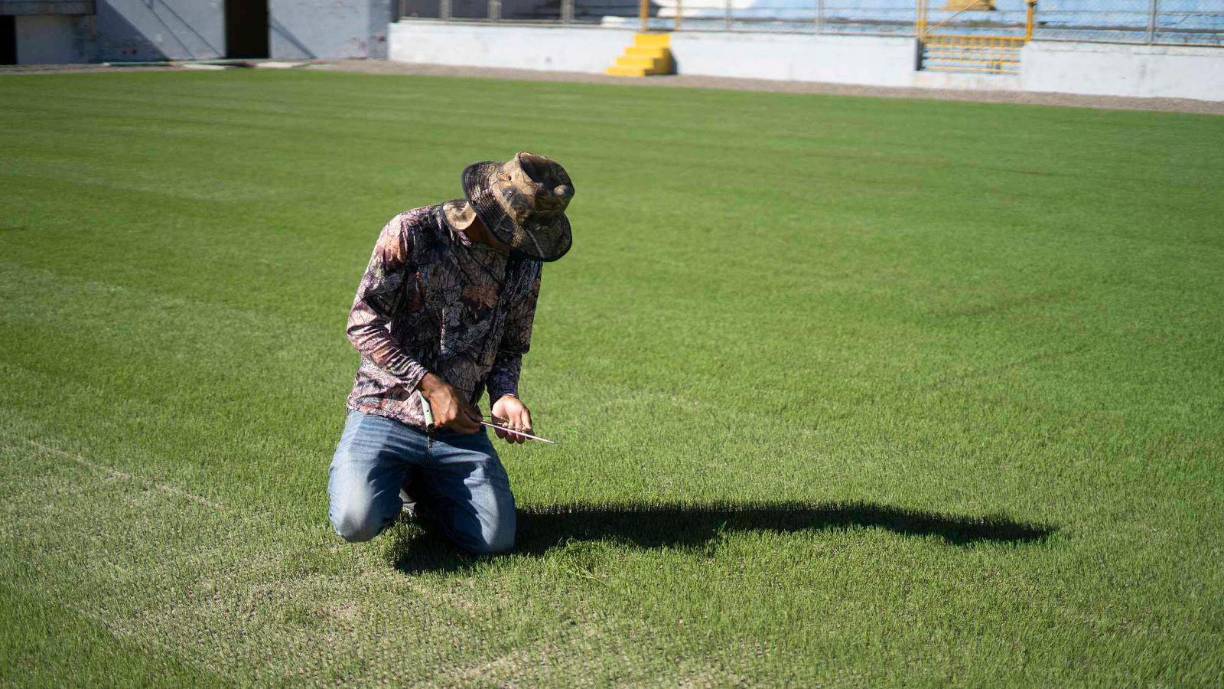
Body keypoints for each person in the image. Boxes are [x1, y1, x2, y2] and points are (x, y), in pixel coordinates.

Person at [327, 152, 574, 554]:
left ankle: (423, 490)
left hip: (460, 428)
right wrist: (430, 384)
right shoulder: (412, 231)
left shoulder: (525, 261)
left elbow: (511, 344)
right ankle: (392, 484)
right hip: (383, 411)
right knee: (357, 520)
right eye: (516, 232)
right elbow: (362, 323)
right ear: (487, 211)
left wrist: (505, 395)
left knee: (494, 541)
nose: (523, 244)